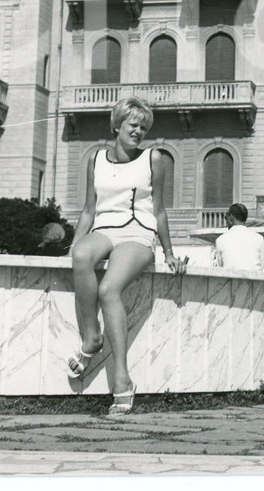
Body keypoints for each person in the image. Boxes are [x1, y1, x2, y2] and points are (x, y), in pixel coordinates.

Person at [68, 96, 186, 413]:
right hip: (104, 229)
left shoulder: (153, 158)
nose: (138, 132)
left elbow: (159, 210)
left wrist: (169, 252)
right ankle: (91, 338)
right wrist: (74, 244)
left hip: (138, 232)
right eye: (133, 125)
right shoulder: (96, 159)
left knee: (109, 289)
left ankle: (122, 378)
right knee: (81, 256)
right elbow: (89, 209)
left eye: (143, 127)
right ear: (117, 125)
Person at [213, 203, 264, 272]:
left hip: (230, 278)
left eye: (226, 217)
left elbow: (220, 270)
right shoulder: (259, 239)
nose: (226, 221)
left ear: (231, 217)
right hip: (254, 278)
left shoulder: (221, 240)